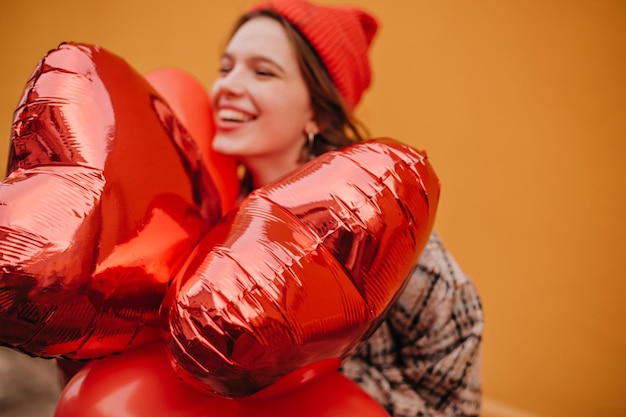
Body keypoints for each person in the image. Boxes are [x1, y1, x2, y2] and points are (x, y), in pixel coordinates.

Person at [208, 1, 484, 416]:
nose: (227, 85)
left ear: (317, 110)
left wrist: (315, 371)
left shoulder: (376, 222)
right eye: (225, 67)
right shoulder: (209, 202)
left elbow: (458, 340)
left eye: (263, 71)